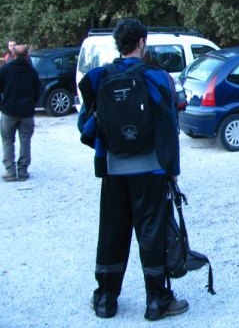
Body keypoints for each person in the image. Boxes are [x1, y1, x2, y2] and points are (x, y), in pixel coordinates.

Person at [78, 19, 188, 321]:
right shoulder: (158, 77)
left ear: (118, 44)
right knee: (151, 234)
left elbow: (85, 125)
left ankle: (105, 300)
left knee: (112, 233)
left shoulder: (100, 76)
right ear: (141, 42)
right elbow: (170, 124)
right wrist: (172, 168)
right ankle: (157, 301)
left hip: (113, 169)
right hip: (151, 169)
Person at [0, 44, 41, 182]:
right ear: (27, 55)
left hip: (9, 112)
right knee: (25, 142)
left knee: (7, 141)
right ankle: (23, 171)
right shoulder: (32, 71)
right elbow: (38, 91)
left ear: (13, 55)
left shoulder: (5, 69)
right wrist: (31, 105)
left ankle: (10, 172)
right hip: (27, 113)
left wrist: (2, 104)